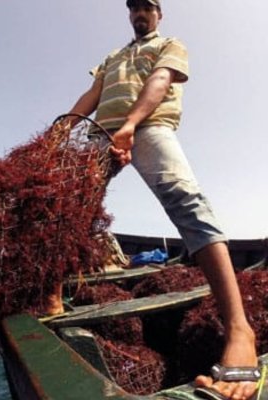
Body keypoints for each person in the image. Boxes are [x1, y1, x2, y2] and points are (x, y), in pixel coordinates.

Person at [63, 1, 260, 399]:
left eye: (147, 7)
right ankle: (52, 295)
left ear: (158, 13)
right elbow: (94, 93)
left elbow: (160, 80)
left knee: (187, 203)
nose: (140, 12)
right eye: (133, 6)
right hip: (101, 132)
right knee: (68, 213)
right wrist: (63, 128)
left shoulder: (171, 43)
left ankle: (239, 328)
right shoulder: (113, 56)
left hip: (149, 126)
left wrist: (131, 126)